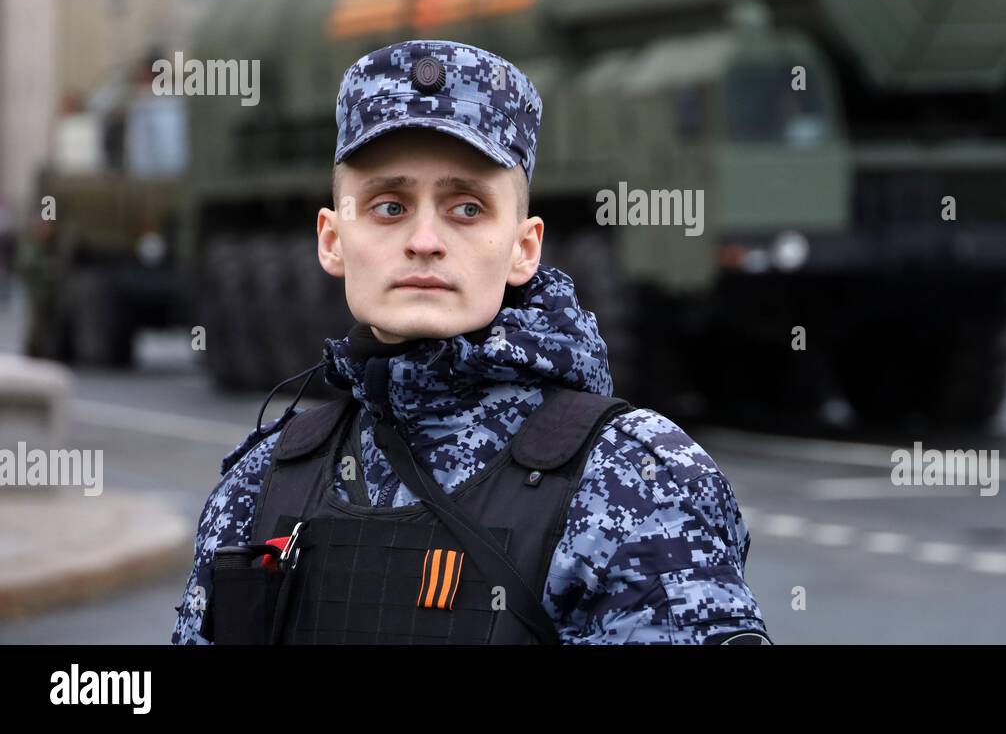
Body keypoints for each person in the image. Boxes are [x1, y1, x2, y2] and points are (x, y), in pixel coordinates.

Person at [171, 39, 771, 645]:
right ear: (331, 239)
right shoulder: (260, 480)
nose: (425, 240)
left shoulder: (639, 478)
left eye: (465, 207)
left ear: (523, 248)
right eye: (388, 206)